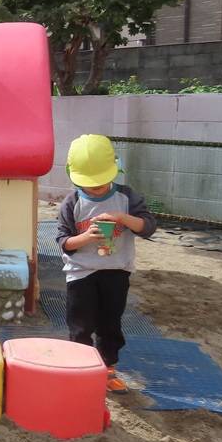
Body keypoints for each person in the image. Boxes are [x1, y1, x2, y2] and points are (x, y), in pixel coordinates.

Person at [57, 134, 157, 393]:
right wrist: (86, 237)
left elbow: (148, 227)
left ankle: (107, 369)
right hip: (81, 273)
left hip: (116, 271)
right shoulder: (72, 202)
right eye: (90, 184)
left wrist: (123, 218)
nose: (97, 188)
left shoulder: (126, 197)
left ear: (115, 169)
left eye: (102, 182)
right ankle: (81, 368)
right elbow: (63, 242)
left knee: (110, 323)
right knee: (80, 324)